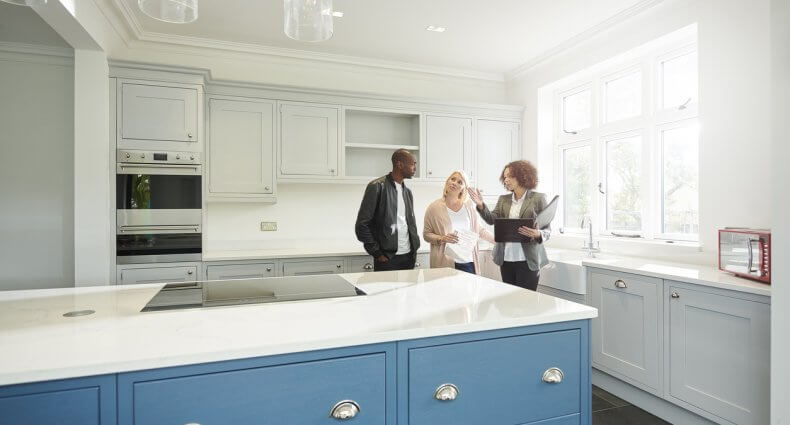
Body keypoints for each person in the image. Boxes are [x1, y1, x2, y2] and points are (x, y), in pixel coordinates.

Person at [468, 160, 550, 290]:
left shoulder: (538, 198)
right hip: (506, 259)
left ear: (523, 176)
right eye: (504, 177)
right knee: (509, 301)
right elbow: (491, 219)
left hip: (528, 260)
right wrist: (481, 205)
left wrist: (538, 234)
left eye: (510, 176)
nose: (506, 180)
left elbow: (547, 230)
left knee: (526, 301)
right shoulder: (503, 200)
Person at [355, 149, 420, 271]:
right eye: (413, 163)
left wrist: (414, 248)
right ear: (399, 164)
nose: (415, 168)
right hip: (388, 259)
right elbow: (362, 225)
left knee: (409, 291)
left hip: (409, 257)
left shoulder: (407, 192)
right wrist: (377, 253)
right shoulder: (377, 187)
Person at [423, 171, 493, 274]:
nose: (454, 183)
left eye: (460, 182)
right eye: (452, 179)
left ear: (463, 188)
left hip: (468, 262)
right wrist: (442, 238)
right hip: (445, 263)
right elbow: (426, 234)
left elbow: (480, 230)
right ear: (447, 182)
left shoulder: (469, 207)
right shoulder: (434, 207)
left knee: (471, 290)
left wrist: (499, 241)